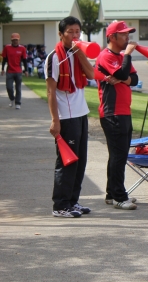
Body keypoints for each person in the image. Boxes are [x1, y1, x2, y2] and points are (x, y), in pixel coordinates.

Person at [46, 16, 95, 218]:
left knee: (80, 160)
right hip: (66, 116)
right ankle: (60, 205)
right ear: (61, 34)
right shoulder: (54, 58)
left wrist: (79, 53)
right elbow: (50, 91)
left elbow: (91, 75)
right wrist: (55, 120)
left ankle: (72, 201)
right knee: (67, 162)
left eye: (77, 31)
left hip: (81, 113)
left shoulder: (77, 53)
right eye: (70, 32)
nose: (75, 35)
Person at [95, 21, 139, 210]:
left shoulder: (120, 56)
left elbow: (134, 79)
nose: (127, 37)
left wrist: (123, 79)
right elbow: (122, 71)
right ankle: (119, 197)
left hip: (123, 111)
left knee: (117, 155)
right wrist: (127, 56)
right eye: (123, 34)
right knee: (119, 156)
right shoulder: (106, 56)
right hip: (113, 113)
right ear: (112, 37)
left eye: (127, 34)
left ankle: (112, 193)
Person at [1, 33, 28, 109]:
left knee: (18, 88)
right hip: (9, 71)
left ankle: (18, 102)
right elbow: (4, 59)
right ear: (11, 40)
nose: (15, 41)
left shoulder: (22, 48)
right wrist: (2, 69)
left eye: (16, 40)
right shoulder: (7, 48)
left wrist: (26, 70)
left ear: (18, 40)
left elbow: (25, 60)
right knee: (9, 87)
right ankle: (12, 98)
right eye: (13, 40)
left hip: (18, 71)